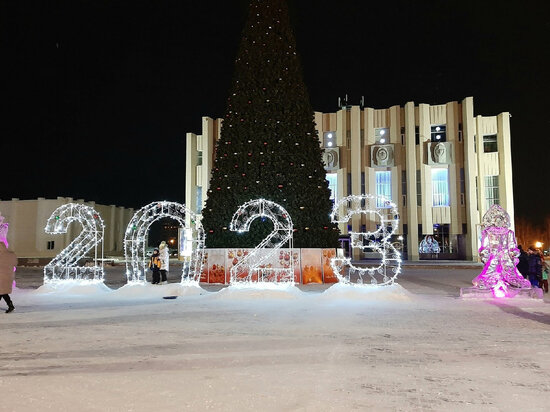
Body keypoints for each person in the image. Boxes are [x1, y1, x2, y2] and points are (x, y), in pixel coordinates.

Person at [0, 242, 17, 313]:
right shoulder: (11, 254)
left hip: (1, 277)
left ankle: (11, 306)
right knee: (2, 292)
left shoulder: (1, 255)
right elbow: (15, 264)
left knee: (2, 292)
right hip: (8, 276)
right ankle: (11, 306)